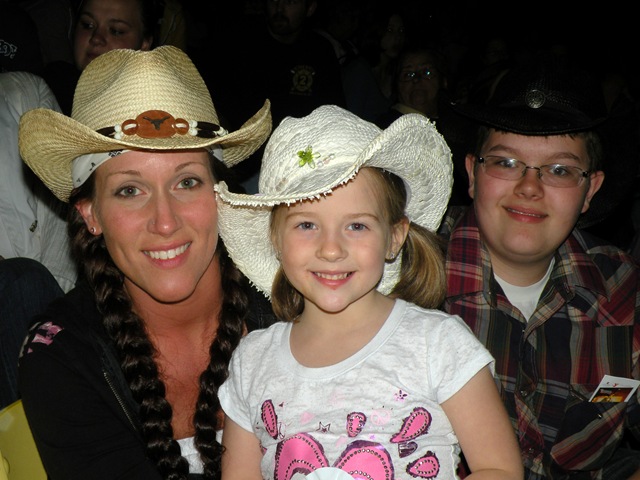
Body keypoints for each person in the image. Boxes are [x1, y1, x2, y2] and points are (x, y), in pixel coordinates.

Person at [215, 105, 524, 479]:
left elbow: (500, 469)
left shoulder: (437, 344)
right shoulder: (252, 361)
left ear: (394, 237)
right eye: (307, 225)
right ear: (276, 240)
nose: (331, 249)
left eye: (357, 226)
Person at [18, 45, 275, 479]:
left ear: (222, 195)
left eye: (187, 182)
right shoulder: (61, 356)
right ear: (90, 214)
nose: (165, 221)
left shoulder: (294, 303)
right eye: (129, 190)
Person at [439, 61, 640, 479]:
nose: (529, 187)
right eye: (506, 163)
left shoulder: (624, 289)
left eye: (560, 170)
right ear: (472, 174)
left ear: (590, 190)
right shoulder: (401, 280)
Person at [212, 0, 346, 193]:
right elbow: (215, 110)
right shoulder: (240, 43)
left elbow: (335, 117)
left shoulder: (319, 50)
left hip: (298, 169)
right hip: (243, 169)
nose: (279, 7)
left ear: (310, 8)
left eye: (290, 1)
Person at [375, 45, 474, 207]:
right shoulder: (388, 129)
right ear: (397, 85)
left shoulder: (454, 125)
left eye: (427, 72)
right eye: (408, 75)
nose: (417, 80)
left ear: (443, 81)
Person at [43, 0, 156, 115]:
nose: (96, 38)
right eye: (88, 25)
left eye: (116, 31)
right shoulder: (48, 86)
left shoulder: (153, 110)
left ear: (144, 45)